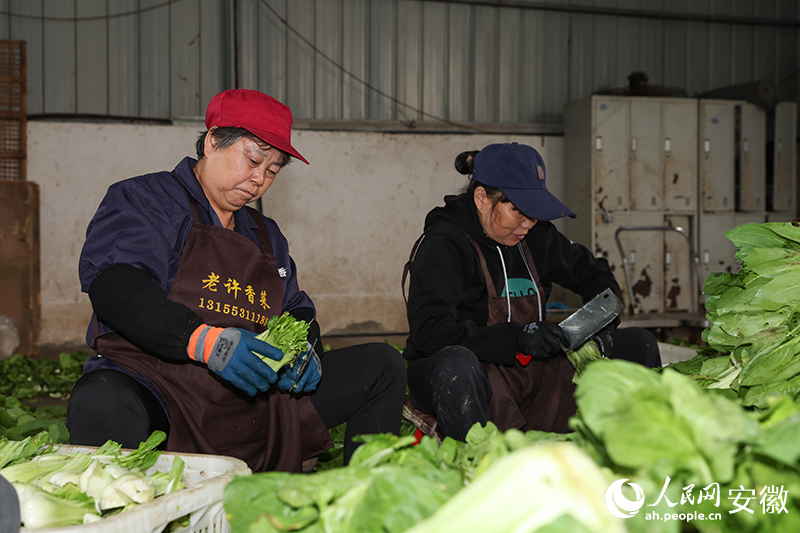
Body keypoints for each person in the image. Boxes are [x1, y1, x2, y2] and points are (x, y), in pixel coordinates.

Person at [66, 89, 407, 473]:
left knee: (382, 364)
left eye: (273, 170)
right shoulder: (148, 200)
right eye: (254, 159)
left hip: (251, 398)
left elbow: (295, 311)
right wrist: (203, 340)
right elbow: (116, 285)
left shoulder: (266, 234)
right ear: (212, 142)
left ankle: (366, 494)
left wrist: (305, 349)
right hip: (162, 390)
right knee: (100, 398)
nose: (259, 179)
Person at [402, 142, 660, 441]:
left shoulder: (536, 236)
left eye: (534, 213)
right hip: (471, 376)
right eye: (517, 210)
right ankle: (474, 460)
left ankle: (637, 446)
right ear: (482, 198)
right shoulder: (445, 245)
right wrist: (516, 338)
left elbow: (592, 271)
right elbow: (430, 331)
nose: (528, 223)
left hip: (529, 370)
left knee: (637, 343)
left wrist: (599, 321)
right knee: (456, 365)